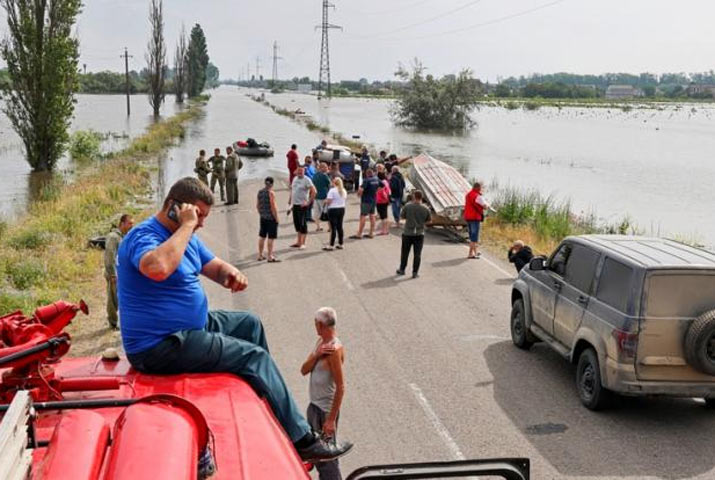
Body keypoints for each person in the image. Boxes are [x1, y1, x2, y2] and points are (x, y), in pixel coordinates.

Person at [116, 177, 351, 463]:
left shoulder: (185, 237)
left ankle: (263, 401)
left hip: (190, 328)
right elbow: (157, 268)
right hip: (159, 345)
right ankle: (303, 439)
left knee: (249, 323)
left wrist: (231, 274)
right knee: (254, 358)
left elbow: (213, 267)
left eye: (202, 217)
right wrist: (188, 225)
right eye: (198, 215)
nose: (201, 223)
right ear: (175, 207)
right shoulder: (144, 236)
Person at [301, 307, 346, 480]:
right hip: (314, 407)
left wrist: (330, 420)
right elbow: (304, 370)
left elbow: (341, 387)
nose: (315, 327)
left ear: (320, 325)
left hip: (324, 411)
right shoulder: (321, 344)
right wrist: (317, 354)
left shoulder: (334, 350)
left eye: (315, 324)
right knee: (316, 455)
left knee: (328, 462)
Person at [104, 214, 134, 329]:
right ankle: (112, 322)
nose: (132, 225)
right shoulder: (113, 237)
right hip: (114, 273)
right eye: (129, 223)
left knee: (120, 297)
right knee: (113, 299)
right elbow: (109, 256)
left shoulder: (123, 236)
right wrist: (112, 274)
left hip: (120, 272)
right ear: (122, 224)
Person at [397, 190, 431, 278]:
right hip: (419, 234)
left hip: (408, 233)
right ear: (421, 197)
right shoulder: (426, 208)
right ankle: (415, 272)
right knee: (417, 254)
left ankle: (402, 269)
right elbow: (429, 221)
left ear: (414, 197)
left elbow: (402, 217)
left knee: (405, 252)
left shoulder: (408, 206)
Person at [288, 166, 316, 249]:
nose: (300, 172)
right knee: (297, 224)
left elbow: (314, 191)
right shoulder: (295, 179)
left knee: (303, 224)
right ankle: (298, 242)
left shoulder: (307, 180)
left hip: (302, 205)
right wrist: (290, 201)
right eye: (298, 171)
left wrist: (308, 202)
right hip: (295, 204)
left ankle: (303, 243)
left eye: (301, 171)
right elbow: (292, 190)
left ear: (304, 171)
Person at [350, 168, 380, 239]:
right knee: (372, 216)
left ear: (367, 174)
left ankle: (359, 234)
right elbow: (382, 186)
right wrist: (375, 191)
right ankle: (371, 233)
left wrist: (359, 195)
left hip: (366, 200)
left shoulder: (366, 180)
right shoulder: (376, 179)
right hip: (373, 200)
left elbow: (361, 189)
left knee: (363, 216)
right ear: (372, 173)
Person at [464, 181, 490, 259]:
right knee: (474, 237)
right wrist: (487, 206)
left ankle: (475, 251)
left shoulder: (468, 194)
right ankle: (470, 254)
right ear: (478, 188)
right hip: (475, 218)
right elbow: (485, 206)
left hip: (468, 217)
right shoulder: (478, 196)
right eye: (481, 188)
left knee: (471, 235)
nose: (481, 189)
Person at [257, 177, 281, 262]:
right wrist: (276, 218)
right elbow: (273, 206)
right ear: (272, 184)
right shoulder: (271, 193)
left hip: (263, 217)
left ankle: (260, 255)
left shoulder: (260, 192)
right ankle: (270, 256)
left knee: (262, 237)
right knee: (271, 238)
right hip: (271, 218)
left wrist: (262, 214)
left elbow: (258, 206)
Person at [323, 177, 347, 251]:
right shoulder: (343, 190)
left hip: (333, 209)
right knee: (340, 227)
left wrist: (325, 201)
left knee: (333, 228)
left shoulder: (332, 190)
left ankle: (331, 245)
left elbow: (329, 201)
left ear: (334, 183)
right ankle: (341, 243)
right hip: (342, 209)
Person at [312, 162, 332, 233]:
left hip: (316, 196)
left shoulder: (314, 175)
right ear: (322, 168)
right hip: (324, 196)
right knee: (326, 212)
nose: (327, 168)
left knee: (316, 213)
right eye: (326, 167)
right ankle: (330, 228)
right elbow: (330, 185)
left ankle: (318, 227)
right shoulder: (324, 176)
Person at [375, 171, 391, 235]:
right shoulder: (386, 183)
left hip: (381, 202)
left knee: (383, 217)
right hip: (385, 202)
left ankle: (384, 231)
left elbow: (383, 194)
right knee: (385, 216)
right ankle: (386, 230)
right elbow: (389, 192)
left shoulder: (381, 186)